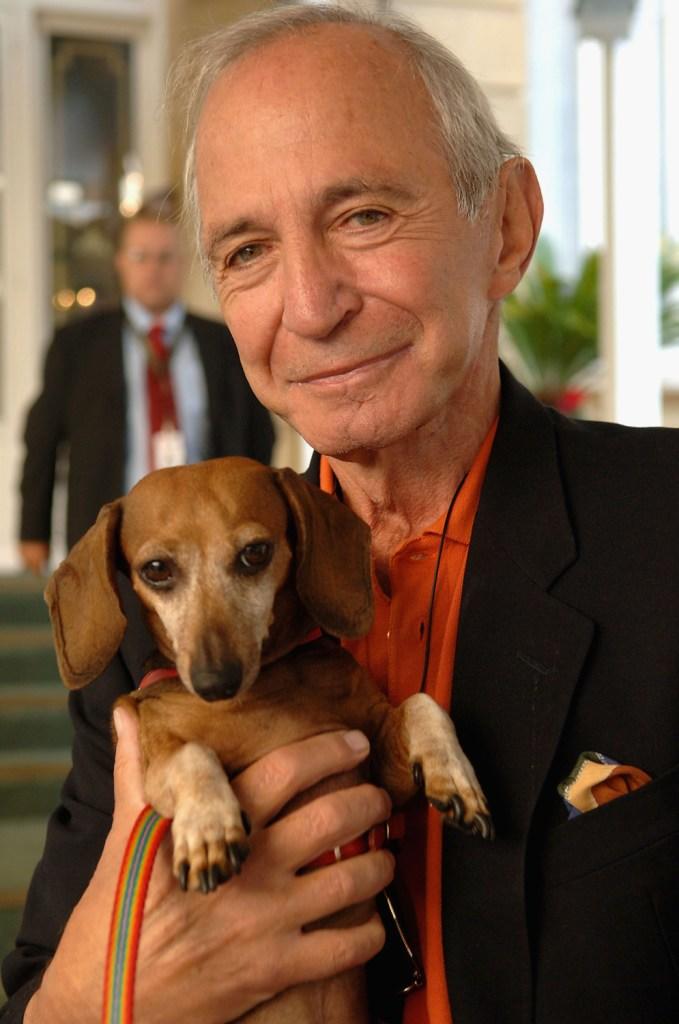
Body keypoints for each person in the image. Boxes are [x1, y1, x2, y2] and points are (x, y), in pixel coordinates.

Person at [3, 5, 678, 1023]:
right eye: (245, 251)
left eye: (362, 215)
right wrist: (102, 1005)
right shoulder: (145, 663)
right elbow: (33, 1002)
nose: (310, 307)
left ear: (504, 228)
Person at [18, 197, 274, 574]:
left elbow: (258, 436)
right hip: (110, 532)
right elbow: (42, 442)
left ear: (184, 263)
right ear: (119, 261)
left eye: (165, 257)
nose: (153, 269)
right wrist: (32, 532)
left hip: (213, 536)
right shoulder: (77, 345)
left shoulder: (224, 343)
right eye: (141, 257)